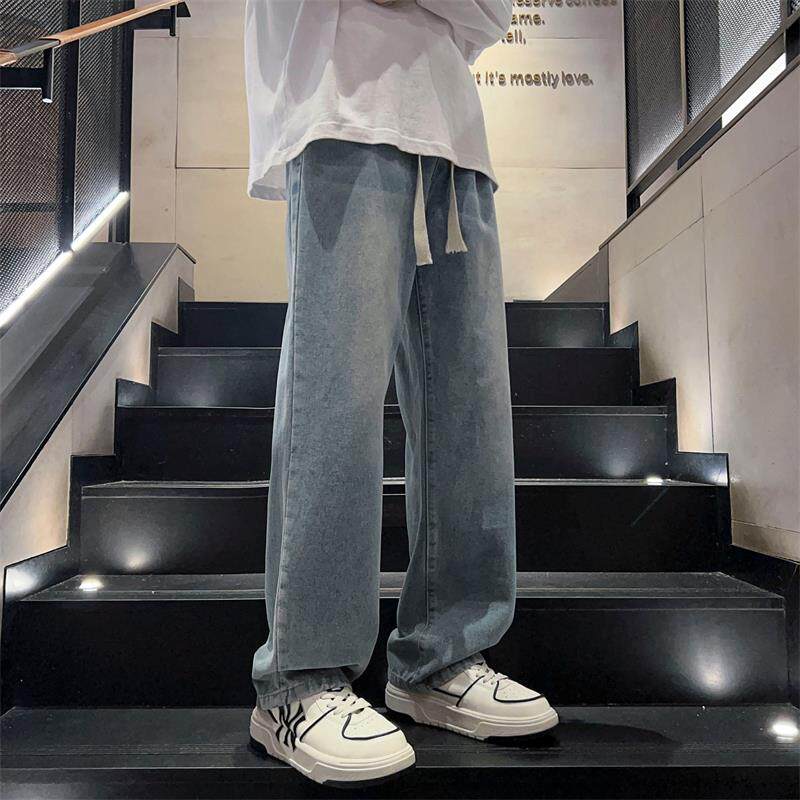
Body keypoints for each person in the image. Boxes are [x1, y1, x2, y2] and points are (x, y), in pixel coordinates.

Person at [244, 0, 558, 785]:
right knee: (335, 403)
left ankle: (440, 658)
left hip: (455, 134)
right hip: (342, 111)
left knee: (471, 414)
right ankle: (299, 681)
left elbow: (490, 12)